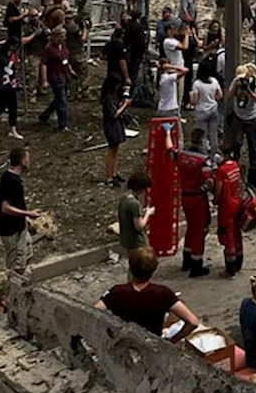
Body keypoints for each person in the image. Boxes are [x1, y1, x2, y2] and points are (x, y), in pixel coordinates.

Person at [95, 246, 201, 341]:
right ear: (154, 269)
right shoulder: (163, 293)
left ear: (130, 268)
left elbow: (94, 311)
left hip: (124, 344)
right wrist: (173, 341)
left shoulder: (116, 292)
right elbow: (193, 322)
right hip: (152, 346)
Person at [177, 128, 213, 277]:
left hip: (185, 197)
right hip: (198, 198)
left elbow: (170, 151)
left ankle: (186, 260)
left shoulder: (182, 155)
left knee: (190, 228)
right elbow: (208, 181)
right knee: (200, 231)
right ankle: (196, 265)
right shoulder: (203, 160)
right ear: (202, 141)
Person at [0, 146, 40, 272]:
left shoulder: (12, 178)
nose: (29, 161)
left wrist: (26, 218)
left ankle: (22, 283)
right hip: (11, 231)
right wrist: (28, 213)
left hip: (20, 227)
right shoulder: (11, 181)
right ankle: (13, 288)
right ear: (22, 161)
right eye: (27, 159)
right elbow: (5, 208)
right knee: (15, 265)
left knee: (27, 253)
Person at [214, 153, 245, 276]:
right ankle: (238, 262)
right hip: (236, 202)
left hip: (226, 206)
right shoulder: (235, 165)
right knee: (237, 233)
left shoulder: (221, 171)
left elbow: (218, 189)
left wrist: (215, 200)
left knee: (228, 235)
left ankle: (230, 269)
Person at [38, 27, 74, 132]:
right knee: (62, 100)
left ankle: (45, 115)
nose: (64, 38)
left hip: (65, 74)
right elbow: (43, 64)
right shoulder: (48, 48)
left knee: (60, 98)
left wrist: (70, 69)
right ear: (56, 36)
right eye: (62, 36)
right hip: (55, 76)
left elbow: (66, 58)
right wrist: (44, 80)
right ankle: (62, 124)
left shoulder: (63, 45)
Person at [226, 67, 256, 168]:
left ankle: (254, 166)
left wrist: (249, 90)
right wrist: (235, 87)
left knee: (253, 145)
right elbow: (228, 96)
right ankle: (235, 162)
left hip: (251, 117)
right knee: (237, 142)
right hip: (238, 117)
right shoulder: (235, 82)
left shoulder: (254, 83)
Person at [0, 39, 24, 142]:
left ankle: (13, 129)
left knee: (13, 108)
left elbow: (16, 67)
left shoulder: (13, 55)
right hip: (0, 84)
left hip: (11, 84)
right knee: (0, 108)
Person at [101, 74, 132, 186]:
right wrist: (124, 105)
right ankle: (109, 177)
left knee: (115, 151)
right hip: (112, 125)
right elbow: (114, 114)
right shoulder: (108, 98)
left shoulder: (113, 97)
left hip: (117, 125)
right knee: (112, 151)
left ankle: (114, 173)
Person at [118, 170, 154, 259]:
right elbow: (139, 226)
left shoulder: (124, 199)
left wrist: (142, 212)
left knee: (133, 266)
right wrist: (148, 214)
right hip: (137, 243)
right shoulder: (134, 203)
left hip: (126, 241)